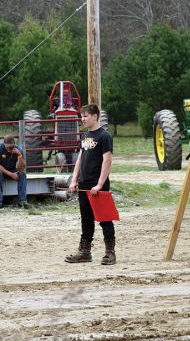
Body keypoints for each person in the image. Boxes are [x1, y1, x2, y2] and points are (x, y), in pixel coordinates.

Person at [65, 104, 116, 265]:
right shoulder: (85, 135)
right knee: (86, 220)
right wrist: (74, 180)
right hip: (84, 185)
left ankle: (110, 253)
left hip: (97, 186)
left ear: (95, 116)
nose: (83, 119)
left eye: (86, 116)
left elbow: (107, 160)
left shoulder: (104, 136)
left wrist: (100, 184)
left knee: (105, 219)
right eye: (82, 116)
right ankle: (84, 252)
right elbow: (80, 159)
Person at [0, 134, 29, 209]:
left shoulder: (18, 149)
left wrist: (19, 156)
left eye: (12, 146)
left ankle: (23, 201)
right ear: (4, 144)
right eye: (8, 147)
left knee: (22, 174)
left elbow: (21, 167)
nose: (10, 148)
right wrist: (11, 174)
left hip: (10, 169)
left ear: (14, 144)